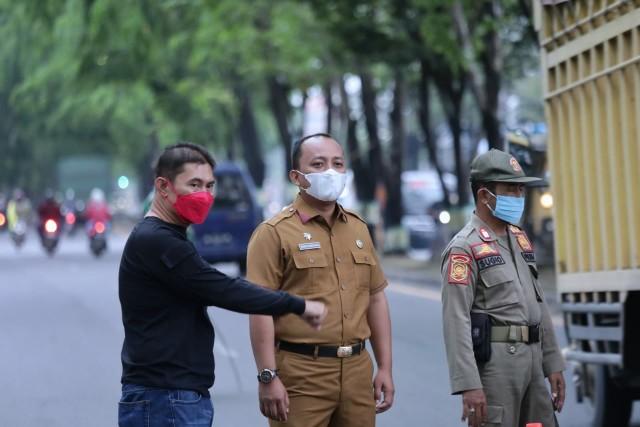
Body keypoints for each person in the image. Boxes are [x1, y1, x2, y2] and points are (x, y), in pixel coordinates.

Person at [117, 142, 327, 427]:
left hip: (172, 395)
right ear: (163, 187)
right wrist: (298, 305)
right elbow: (224, 289)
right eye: (194, 184)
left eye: (209, 185)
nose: (204, 195)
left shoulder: (166, 237)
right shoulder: (158, 241)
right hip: (165, 398)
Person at [248, 133, 394, 427]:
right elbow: (260, 308)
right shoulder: (273, 233)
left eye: (338, 163)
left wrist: (385, 368)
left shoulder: (358, 228)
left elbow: (376, 298)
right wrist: (267, 376)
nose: (331, 171)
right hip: (301, 374)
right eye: (318, 163)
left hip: (356, 370)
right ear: (296, 176)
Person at [440, 149, 565, 427]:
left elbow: (539, 303)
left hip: (533, 361)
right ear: (485, 195)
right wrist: (469, 384)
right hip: (497, 368)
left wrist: (552, 362)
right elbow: (455, 320)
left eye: (521, 190)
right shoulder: (464, 247)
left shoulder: (519, 238)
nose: (519, 197)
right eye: (511, 190)